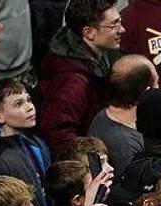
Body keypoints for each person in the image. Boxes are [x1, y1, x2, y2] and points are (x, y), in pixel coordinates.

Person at [39, 0, 124, 153]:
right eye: (114, 25)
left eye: (120, 22)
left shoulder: (100, 57)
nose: (122, 29)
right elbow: (59, 136)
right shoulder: (72, 81)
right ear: (89, 33)